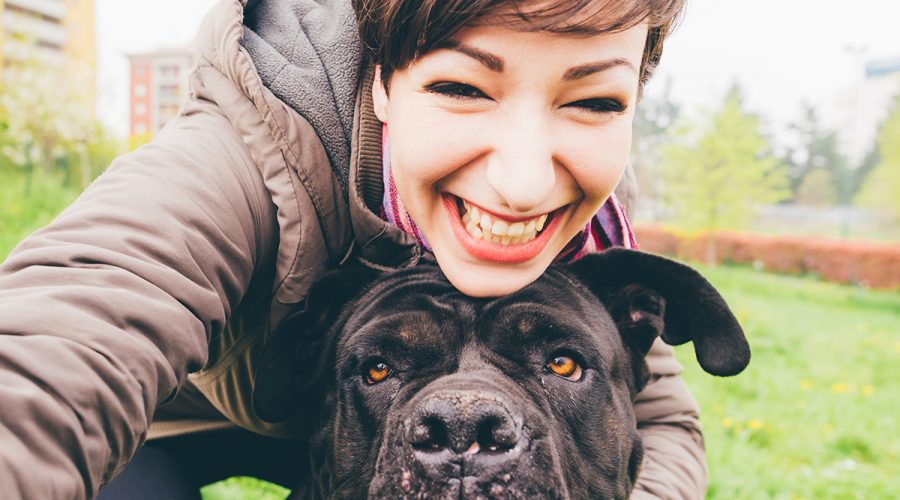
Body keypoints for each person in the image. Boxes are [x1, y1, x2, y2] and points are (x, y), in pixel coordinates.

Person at [0, 0, 703, 498]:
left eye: (594, 101)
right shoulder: (249, 153)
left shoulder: (586, 207)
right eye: (462, 87)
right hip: (174, 419)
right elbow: (59, 343)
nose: (523, 183)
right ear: (382, 86)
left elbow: (659, 420)